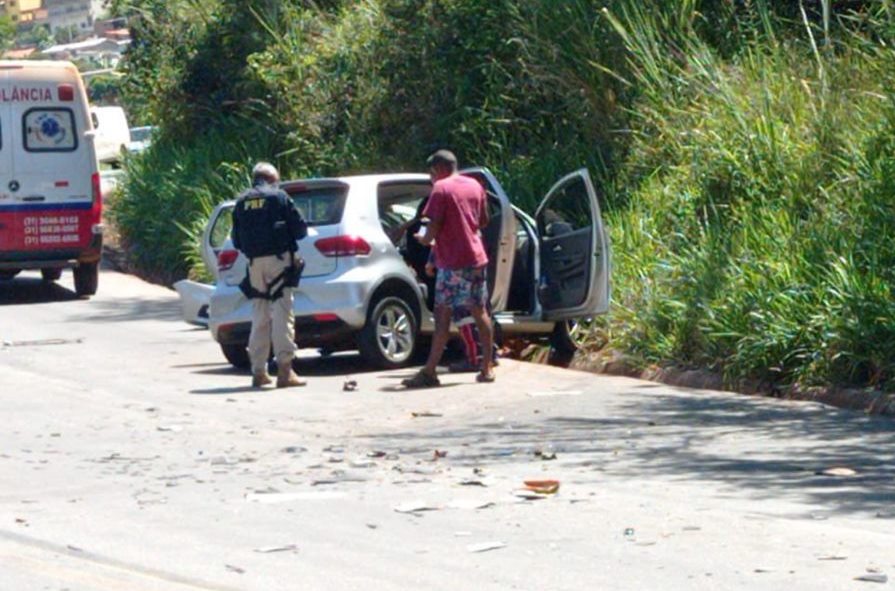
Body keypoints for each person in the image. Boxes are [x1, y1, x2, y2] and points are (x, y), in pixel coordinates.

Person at [403, 150, 496, 388]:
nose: (431, 178)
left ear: (438, 169)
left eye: (432, 173)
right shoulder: (475, 185)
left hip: (453, 262)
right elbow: (484, 221)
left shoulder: (441, 189)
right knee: (479, 311)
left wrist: (422, 239)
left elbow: (432, 229)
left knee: (442, 315)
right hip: (476, 259)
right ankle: (486, 367)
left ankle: (430, 371)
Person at [231, 162, 308, 389]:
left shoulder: (241, 202)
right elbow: (300, 230)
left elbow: (236, 240)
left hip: (254, 264)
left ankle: (258, 371)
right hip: (279, 262)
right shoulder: (279, 197)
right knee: (283, 313)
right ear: (272, 179)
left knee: (259, 314)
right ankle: (285, 371)